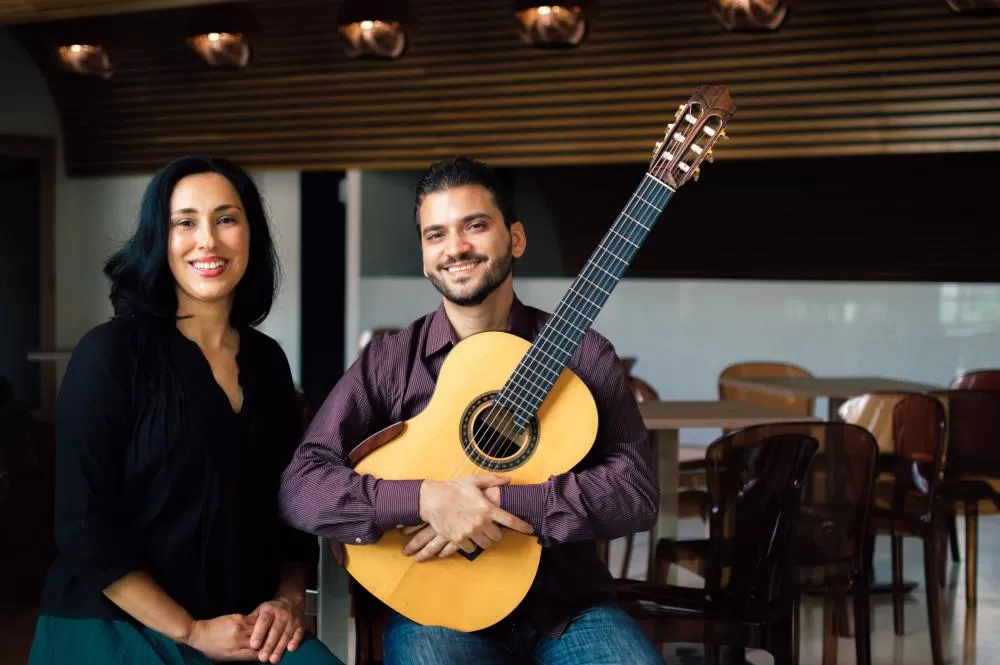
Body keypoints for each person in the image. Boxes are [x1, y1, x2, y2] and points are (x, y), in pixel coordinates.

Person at [278, 156, 664, 665]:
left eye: (474, 226)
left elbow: (635, 493)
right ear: (423, 254)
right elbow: (301, 488)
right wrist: (426, 500)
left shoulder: (585, 355)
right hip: (435, 609)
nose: (455, 247)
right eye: (436, 234)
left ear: (516, 239)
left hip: (568, 610)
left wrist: (504, 502)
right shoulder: (391, 363)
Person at [29, 155, 343, 665]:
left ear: (250, 235)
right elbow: (83, 526)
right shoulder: (109, 353)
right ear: (160, 238)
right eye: (185, 222)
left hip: (242, 627)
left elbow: (290, 510)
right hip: (115, 623)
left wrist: (286, 602)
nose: (208, 241)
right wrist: (191, 631)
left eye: (226, 218)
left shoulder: (268, 362)